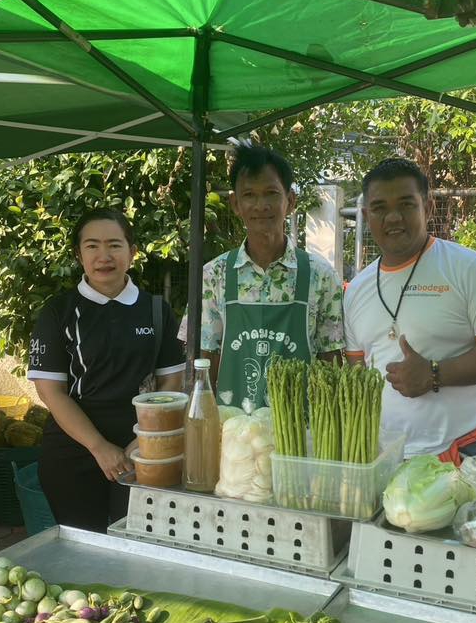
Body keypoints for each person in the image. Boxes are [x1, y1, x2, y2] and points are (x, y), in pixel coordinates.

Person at [344, 157, 476, 463]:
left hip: (466, 451)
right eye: (379, 208)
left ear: (427, 208)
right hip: (387, 456)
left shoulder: (469, 268)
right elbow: (357, 370)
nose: (393, 218)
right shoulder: (356, 290)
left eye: (406, 204)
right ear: (365, 215)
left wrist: (434, 374)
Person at [27, 208, 186, 532]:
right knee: (81, 549)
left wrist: (143, 440)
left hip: (142, 448)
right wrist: (100, 448)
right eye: (92, 246)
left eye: (114, 245)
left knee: (139, 543)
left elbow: (172, 380)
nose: (104, 256)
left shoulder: (156, 310)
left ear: (132, 252)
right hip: (73, 452)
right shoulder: (59, 311)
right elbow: (50, 391)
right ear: (78, 254)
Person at [179, 143, 344, 409]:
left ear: (290, 201)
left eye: (271, 193)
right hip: (234, 436)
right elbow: (202, 361)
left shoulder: (321, 276)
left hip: (303, 435)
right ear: (235, 203)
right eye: (249, 195)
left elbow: (331, 360)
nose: (261, 205)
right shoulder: (213, 276)